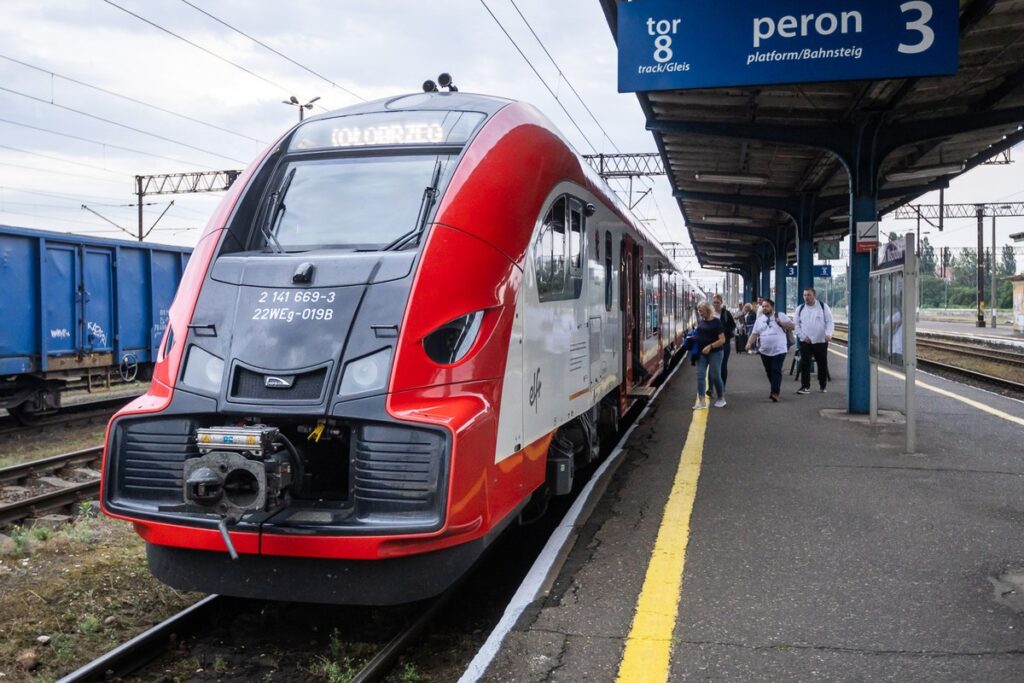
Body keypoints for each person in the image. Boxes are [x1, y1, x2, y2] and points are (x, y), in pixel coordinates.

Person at [745, 298, 794, 402]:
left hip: (779, 350)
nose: (764, 308)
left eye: (767, 306)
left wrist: (781, 323)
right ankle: (774, 387)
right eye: (763, 306)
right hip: (764, 351)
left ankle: (775, 393)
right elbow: (754, 334)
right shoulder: (759, 320)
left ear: (772, 307)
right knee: (769, 371)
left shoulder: (780, 316)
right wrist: (749, 343)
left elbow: (792, 326)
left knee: (776, 370)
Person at [794, 287, 834, 394]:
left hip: (821, 341)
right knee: (805, 363)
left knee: (822, 363)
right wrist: (803, 336)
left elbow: (830, 322)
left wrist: (829, 333)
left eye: (809, 295)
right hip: (806, 341)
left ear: (814, 296)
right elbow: (796, 326)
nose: (806, 297)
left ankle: (822, 385)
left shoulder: (823, 307)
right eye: (804, 295)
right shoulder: (800, 309)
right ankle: (805, 386)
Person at [693, 302, 726, 410]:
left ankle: (721, 398)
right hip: (701, 353)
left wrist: (710, 346)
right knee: (700, 376)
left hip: (715, 352)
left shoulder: (716, 322)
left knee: (715, 375)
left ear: (708, 310)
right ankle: (701, 401)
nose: (700, 313)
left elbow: (722, 340)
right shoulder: (701, 321)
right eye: (699, 310)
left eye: (701, 311)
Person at [710, 294, 737, 390]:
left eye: (718, 302)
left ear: (721, 303)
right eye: (714, 302)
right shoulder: (709, 313)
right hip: (711, 343)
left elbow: (733, 325)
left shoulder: (726, 313)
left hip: (724, 343)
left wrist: (723, 331)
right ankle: (710, 388)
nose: (716, 304)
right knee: (712, 365)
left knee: (722, 365)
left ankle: (722, 386)